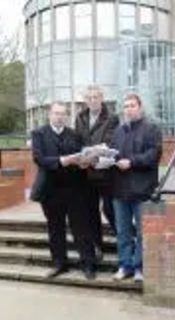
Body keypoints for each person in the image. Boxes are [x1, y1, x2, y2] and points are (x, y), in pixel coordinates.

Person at [30, 102, 96, 280]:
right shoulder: (39, 134)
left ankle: (88, 264)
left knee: (81, 228)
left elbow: (83, 156)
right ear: (49, 115)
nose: (60, 117)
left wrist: (84, 162)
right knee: (55, 229)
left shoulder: (74, 135)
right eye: (56, 113)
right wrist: (61, 161)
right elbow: (39, 158)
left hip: (75, 189)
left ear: (67, 116)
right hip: (50, 191)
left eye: (63, 114)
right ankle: (59, 264)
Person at [111, 93, 162, 283]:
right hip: (120, 191)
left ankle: (140, 267)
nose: (128, 109)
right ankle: (125, 266)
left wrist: (131, 162)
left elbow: (153, 155)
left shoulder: (151, 129)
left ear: (140, 108)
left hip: (143, 190)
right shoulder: (118, 132)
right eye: (126, 106)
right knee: (123, 232)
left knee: (143, 232)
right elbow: (114, 154)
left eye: (132, 105)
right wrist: (104, 159)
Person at [75, 85, 119, 260]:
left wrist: (91, 154)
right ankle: (96, 247)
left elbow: (109, 142)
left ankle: (126, 238)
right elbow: (77, 140)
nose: (93, 100)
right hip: (86, 174)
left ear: (102, 98)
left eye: (96, 97)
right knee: (90, 212)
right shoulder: (80, 117)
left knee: (109, 209)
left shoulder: (112, 118)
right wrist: (80, 156)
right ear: (86, 100)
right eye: (89, 97)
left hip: (105, 173)